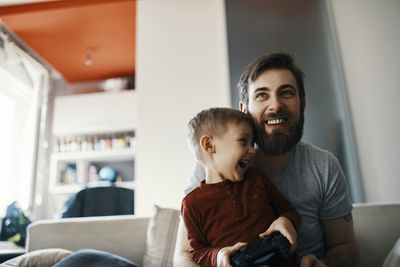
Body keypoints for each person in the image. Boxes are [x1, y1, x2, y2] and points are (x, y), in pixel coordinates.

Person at [174, 52, 359, 267]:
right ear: (244, 110)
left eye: (287, 93)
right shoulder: (210, 168)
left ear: (303, 104)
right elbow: (184, 255)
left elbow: (345, 247)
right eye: (262, 95)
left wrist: (323, 264)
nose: (275, 105)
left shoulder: (324, 166)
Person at [182, 107, 301, 267]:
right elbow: (197, 251)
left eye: (252, 143)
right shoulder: (192, 204)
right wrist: (218, 255)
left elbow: (290, 211)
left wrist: (286, 221)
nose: (252, 150)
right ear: (209, 145)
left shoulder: (256, 179)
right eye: (243, 141)